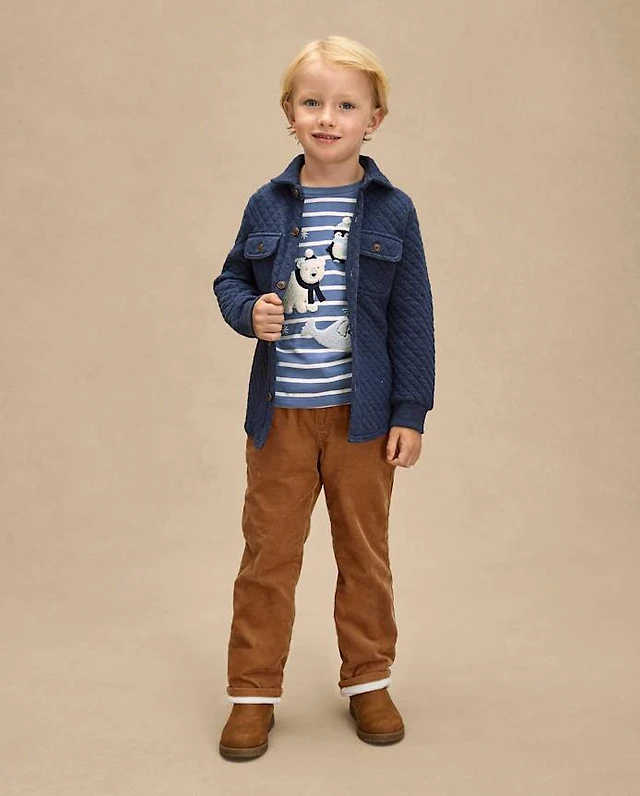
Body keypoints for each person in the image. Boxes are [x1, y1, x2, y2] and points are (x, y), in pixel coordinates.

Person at [213, 35, 435, 761]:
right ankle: (253, 693)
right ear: (290, 112)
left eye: (346, 105)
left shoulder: (394, 211)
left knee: (365, 555)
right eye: (312, 102)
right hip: (279, 419)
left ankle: (369, 680)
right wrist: (248, 311)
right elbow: (230, 280)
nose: (327, 118)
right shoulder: (267, 202)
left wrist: (410, 413)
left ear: (374, 118)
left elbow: (413, 317)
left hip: (362, 421)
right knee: (268, 556)